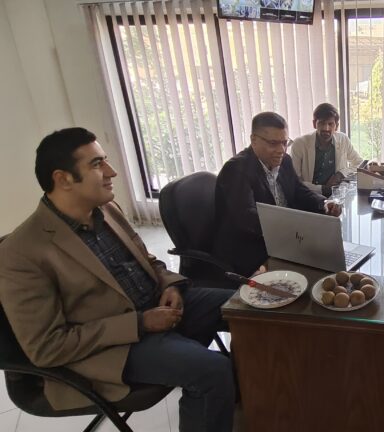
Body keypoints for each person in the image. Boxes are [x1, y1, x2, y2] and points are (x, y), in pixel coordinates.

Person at [0, 128, 237, 432]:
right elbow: (46, 347)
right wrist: (140, 323)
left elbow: (148, 261)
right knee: (212, 372)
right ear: (63, 179)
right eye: (97, 164)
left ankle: (257, 400)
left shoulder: (107, 209)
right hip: (113, 347)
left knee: (248, 306)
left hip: (157, 308)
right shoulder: (21, 252)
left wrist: (170, 285)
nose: (111, 172)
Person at [214, 111, 342, 277]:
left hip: (285, 243)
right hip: (252, 251)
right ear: (253, 140)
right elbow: (246, 220)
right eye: (273, 143)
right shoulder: (236, 170)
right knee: (318, 274)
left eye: (284, 143)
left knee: (333, 263)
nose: (281, 150)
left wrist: (324, 204)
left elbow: (299, 191)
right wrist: (294, 227)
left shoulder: (285, 160)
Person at [289, 103, 365, 196]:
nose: (326, 128)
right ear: (314, 124)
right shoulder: (299, 144)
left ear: (336, 126)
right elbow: (294, 180)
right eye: (322, 123)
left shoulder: (343, 139)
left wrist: (340, 174)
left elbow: (360, 164)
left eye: (330, 124)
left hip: (337, 196)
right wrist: (322, 189)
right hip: (309, 196)